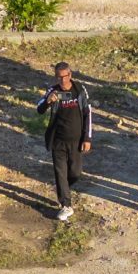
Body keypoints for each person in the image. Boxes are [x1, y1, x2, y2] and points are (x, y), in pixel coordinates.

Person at [35, 62, 96, 220]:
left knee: (75, 172)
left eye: (65, 76)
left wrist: (87, 138)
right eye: (59, 77)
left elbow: (88, 113)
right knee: (60, 172)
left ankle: (64, 189)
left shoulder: (79, 90)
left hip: (76, 141)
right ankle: (66, 205)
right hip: (58, 141)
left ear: (70, 75)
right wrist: (48, 101)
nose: (62, 80)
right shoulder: (53, 91)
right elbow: (39, 108)